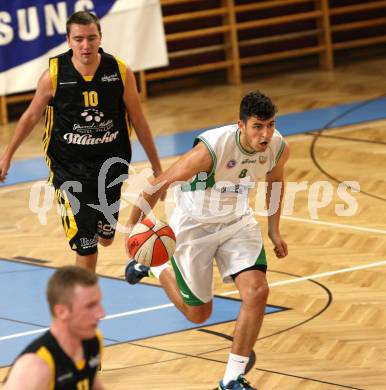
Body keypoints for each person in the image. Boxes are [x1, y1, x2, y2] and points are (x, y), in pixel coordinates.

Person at [125, 91, 289, 389]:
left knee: (257, 291)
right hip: (193, 228)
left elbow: (275, 182)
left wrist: (274, 229)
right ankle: (158, 268)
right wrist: (131, 230)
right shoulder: (211, 149)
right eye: (257, 126)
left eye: (271, 125)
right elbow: (159, 183)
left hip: (238, 223)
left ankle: (232, 379)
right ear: (240, 124)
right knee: (199, 313)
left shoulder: (277, 147)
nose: (265, 134)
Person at [0, 11, 163, 272]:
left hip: (111, 165)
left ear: (100, 38)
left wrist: (158, 169)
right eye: (78, 39)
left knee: (106, 239)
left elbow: (139, 120)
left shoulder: (120, 72)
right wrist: (6, 156)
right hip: (69, 170)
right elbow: (31, 116)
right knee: (86, 248)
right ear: (68, 41)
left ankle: (109, 241)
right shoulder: (53, 75)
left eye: (91, 38)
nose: (85, 45)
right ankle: (83, 310)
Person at [3, 265, 105, 390]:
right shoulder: (35, 367)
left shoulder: (93, 341)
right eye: (90, 306)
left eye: (99, 303)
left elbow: (91, 383)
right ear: (61, 312)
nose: (101, 314)